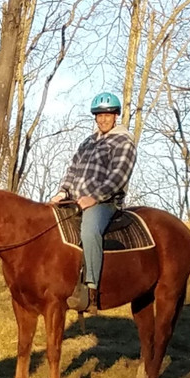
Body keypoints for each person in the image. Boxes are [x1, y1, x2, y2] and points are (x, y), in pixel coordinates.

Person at [51, 91, 137, 312]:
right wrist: (62, 192)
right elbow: (73, 170)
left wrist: (94, 198)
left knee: (89, 231)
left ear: (116, 115)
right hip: (75, 199)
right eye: (99, 115)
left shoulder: (123, 141)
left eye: (107, 114)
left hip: (104, 202)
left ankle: (91, 289)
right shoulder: (88, 142)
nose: (103, 119)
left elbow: (118, 176)